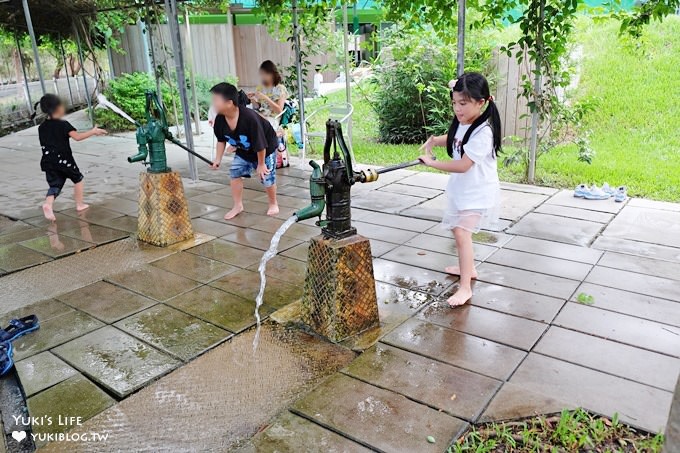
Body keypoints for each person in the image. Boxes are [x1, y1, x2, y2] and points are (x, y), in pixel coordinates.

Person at [419, 72, 502, 308]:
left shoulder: (483, 132)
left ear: (482, 102)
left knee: (462, 233)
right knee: (458, 232)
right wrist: (435, 140)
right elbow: (455, 137)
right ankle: (468, 268)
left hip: (478, 191)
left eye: (463, 103)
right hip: (463, 190)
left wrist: (433, 164)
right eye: (455, 103)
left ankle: (465, 287)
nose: (457, 109)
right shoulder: (466, 124)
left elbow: (464, 165)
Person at [210, 82, 279, 219]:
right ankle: (237, 205)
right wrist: (218, 159)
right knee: (235, 174)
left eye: (216, 101)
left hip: (265, 148)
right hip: (243, 150)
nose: (213, 104)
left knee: (267, 177)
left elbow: (260, 144)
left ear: (229, 103)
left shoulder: (250, 118)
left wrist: (261, 164)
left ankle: (273, 203)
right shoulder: (219, 119)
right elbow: (221, 140)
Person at [33, 94, 107, 221]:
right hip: (64, 161)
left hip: (48, 162)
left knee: (55, 185)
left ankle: (48, 204)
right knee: (78, 179)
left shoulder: (42, 127)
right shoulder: (63, 124)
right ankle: (79, 204)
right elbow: (77, 137)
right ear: (57, 108)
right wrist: (93, 132)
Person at [248, 60, 288, 126]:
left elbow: (279, 111)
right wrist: (252, 100)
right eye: (261, 74)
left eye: (265, 74)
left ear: (272, 74)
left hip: (272, 119)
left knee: (251, 118)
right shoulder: (260, 88)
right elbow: (258, 107)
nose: (262, 76)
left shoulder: (280, 89)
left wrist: (265, 98)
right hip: (261, 117)